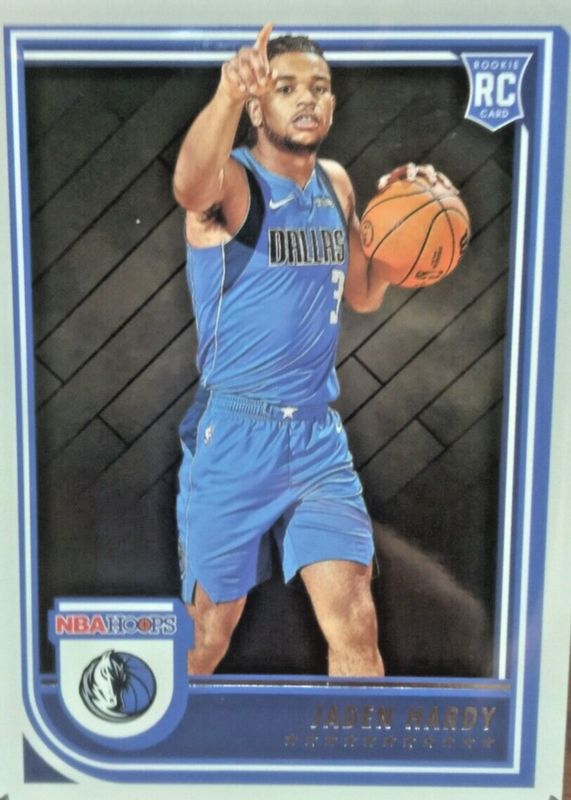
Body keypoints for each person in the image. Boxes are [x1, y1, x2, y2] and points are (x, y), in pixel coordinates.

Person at [173, 23, 450, 677]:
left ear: (332, 104)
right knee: (207, 635)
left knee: (355, 621)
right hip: (235, 433)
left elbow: (363, 291)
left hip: (315, 440)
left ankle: (358, 746)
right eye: (287, 87)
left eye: (319, 88)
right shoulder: (233, 184)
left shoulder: (335, 184)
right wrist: (226, 92)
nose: (307, 99)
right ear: (257, 106)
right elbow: (189, 187)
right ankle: (155, 736)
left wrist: (404, 220)